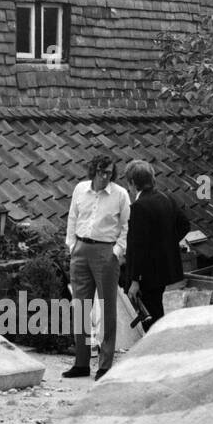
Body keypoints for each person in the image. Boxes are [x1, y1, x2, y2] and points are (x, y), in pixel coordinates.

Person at [64, 155, 130, 380]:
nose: (105, 176)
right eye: (101, 172)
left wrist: (116, 253)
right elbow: (72, 217)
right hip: (81, 249)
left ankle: (105, 365)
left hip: (105, 253)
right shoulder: (80, 189)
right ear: (93, 171)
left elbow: (126, 227)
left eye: (109, 173)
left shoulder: (120, 194)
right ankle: (81, 363)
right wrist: (72, 245)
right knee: (81, 308)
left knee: (107, 308)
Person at [122, 159, 190, 329]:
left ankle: (155, 348)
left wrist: (135, 281)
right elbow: (184, 225)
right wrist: (165, 246)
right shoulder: (166, 198)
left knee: (150, 316)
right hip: (163, 269)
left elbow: (138, 247)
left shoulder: (138, 207)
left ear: (132, 183)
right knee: (157, 309)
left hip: (146, 274)